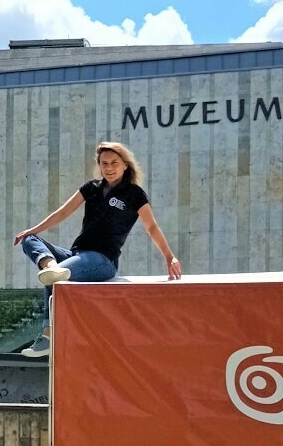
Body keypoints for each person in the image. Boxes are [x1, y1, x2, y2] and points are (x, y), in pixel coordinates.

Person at [13, 141, 181, 358]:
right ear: (99, 166)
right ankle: (51, 265)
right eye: (104, 164)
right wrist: (32, 230)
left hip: (102, 260)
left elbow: (151, 227)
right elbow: (62, 213)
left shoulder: (134, 194)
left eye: (114, 163)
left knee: (52, 278)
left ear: (125, 166)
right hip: (77, 254)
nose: (109, 168)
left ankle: (47, 335)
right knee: (29, 240)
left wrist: (170, 256)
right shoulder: (91, 188)